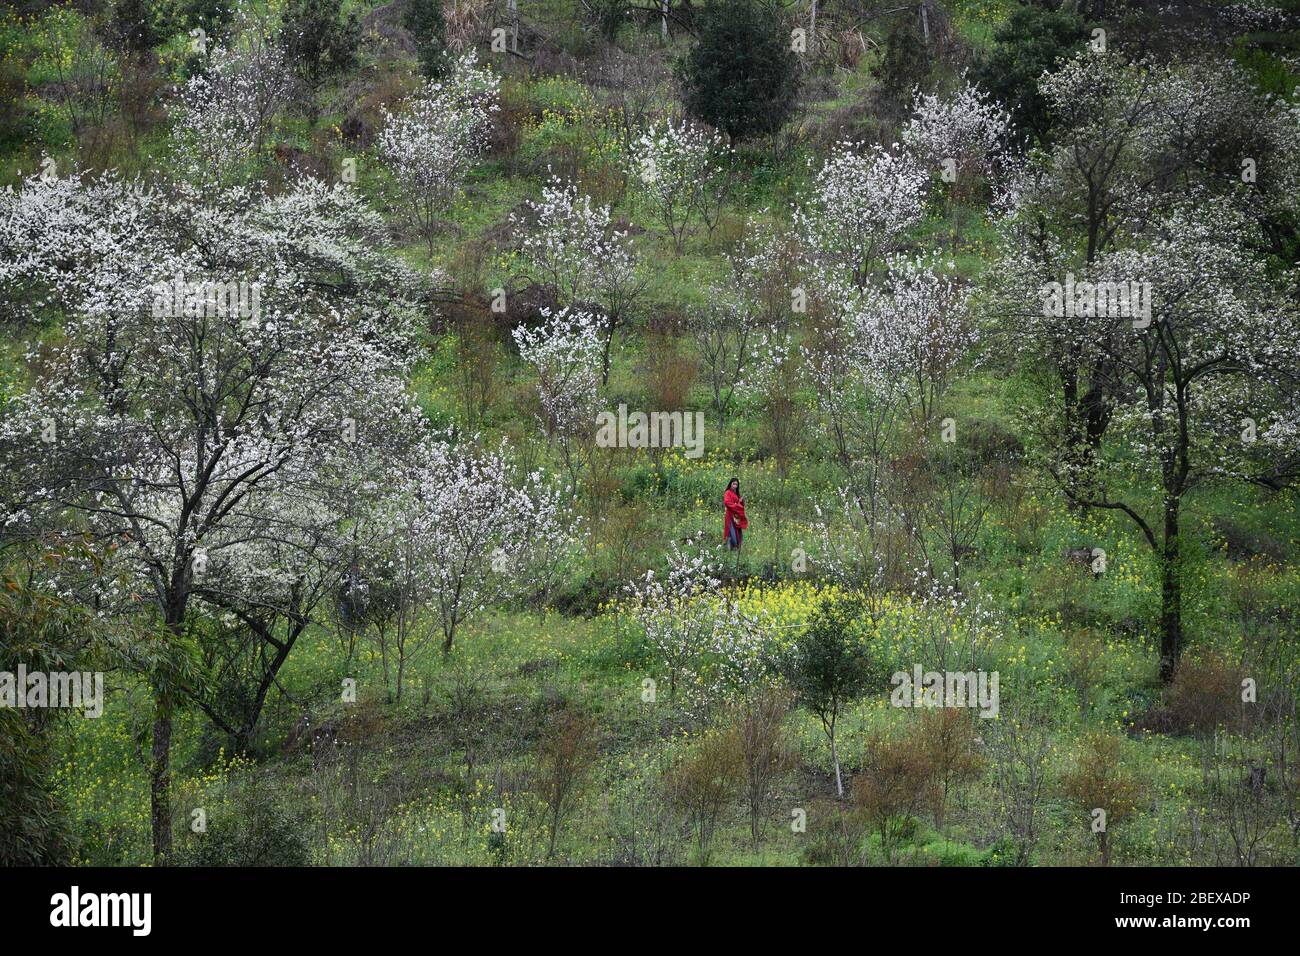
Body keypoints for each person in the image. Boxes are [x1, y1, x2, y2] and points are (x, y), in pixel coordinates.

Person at [723, 477, 747, 550]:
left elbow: (740, 505)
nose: (735, 486)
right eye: (733, 484)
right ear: (730, 484)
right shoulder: (727, 493)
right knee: (731, 533)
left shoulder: (736, 494)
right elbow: (727, 503)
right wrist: (737, 505)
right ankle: (728, 549)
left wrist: (741, 501)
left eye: (736, 484)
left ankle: (735, 549)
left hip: (736, 517)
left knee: (738, 533)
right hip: (730, 515)